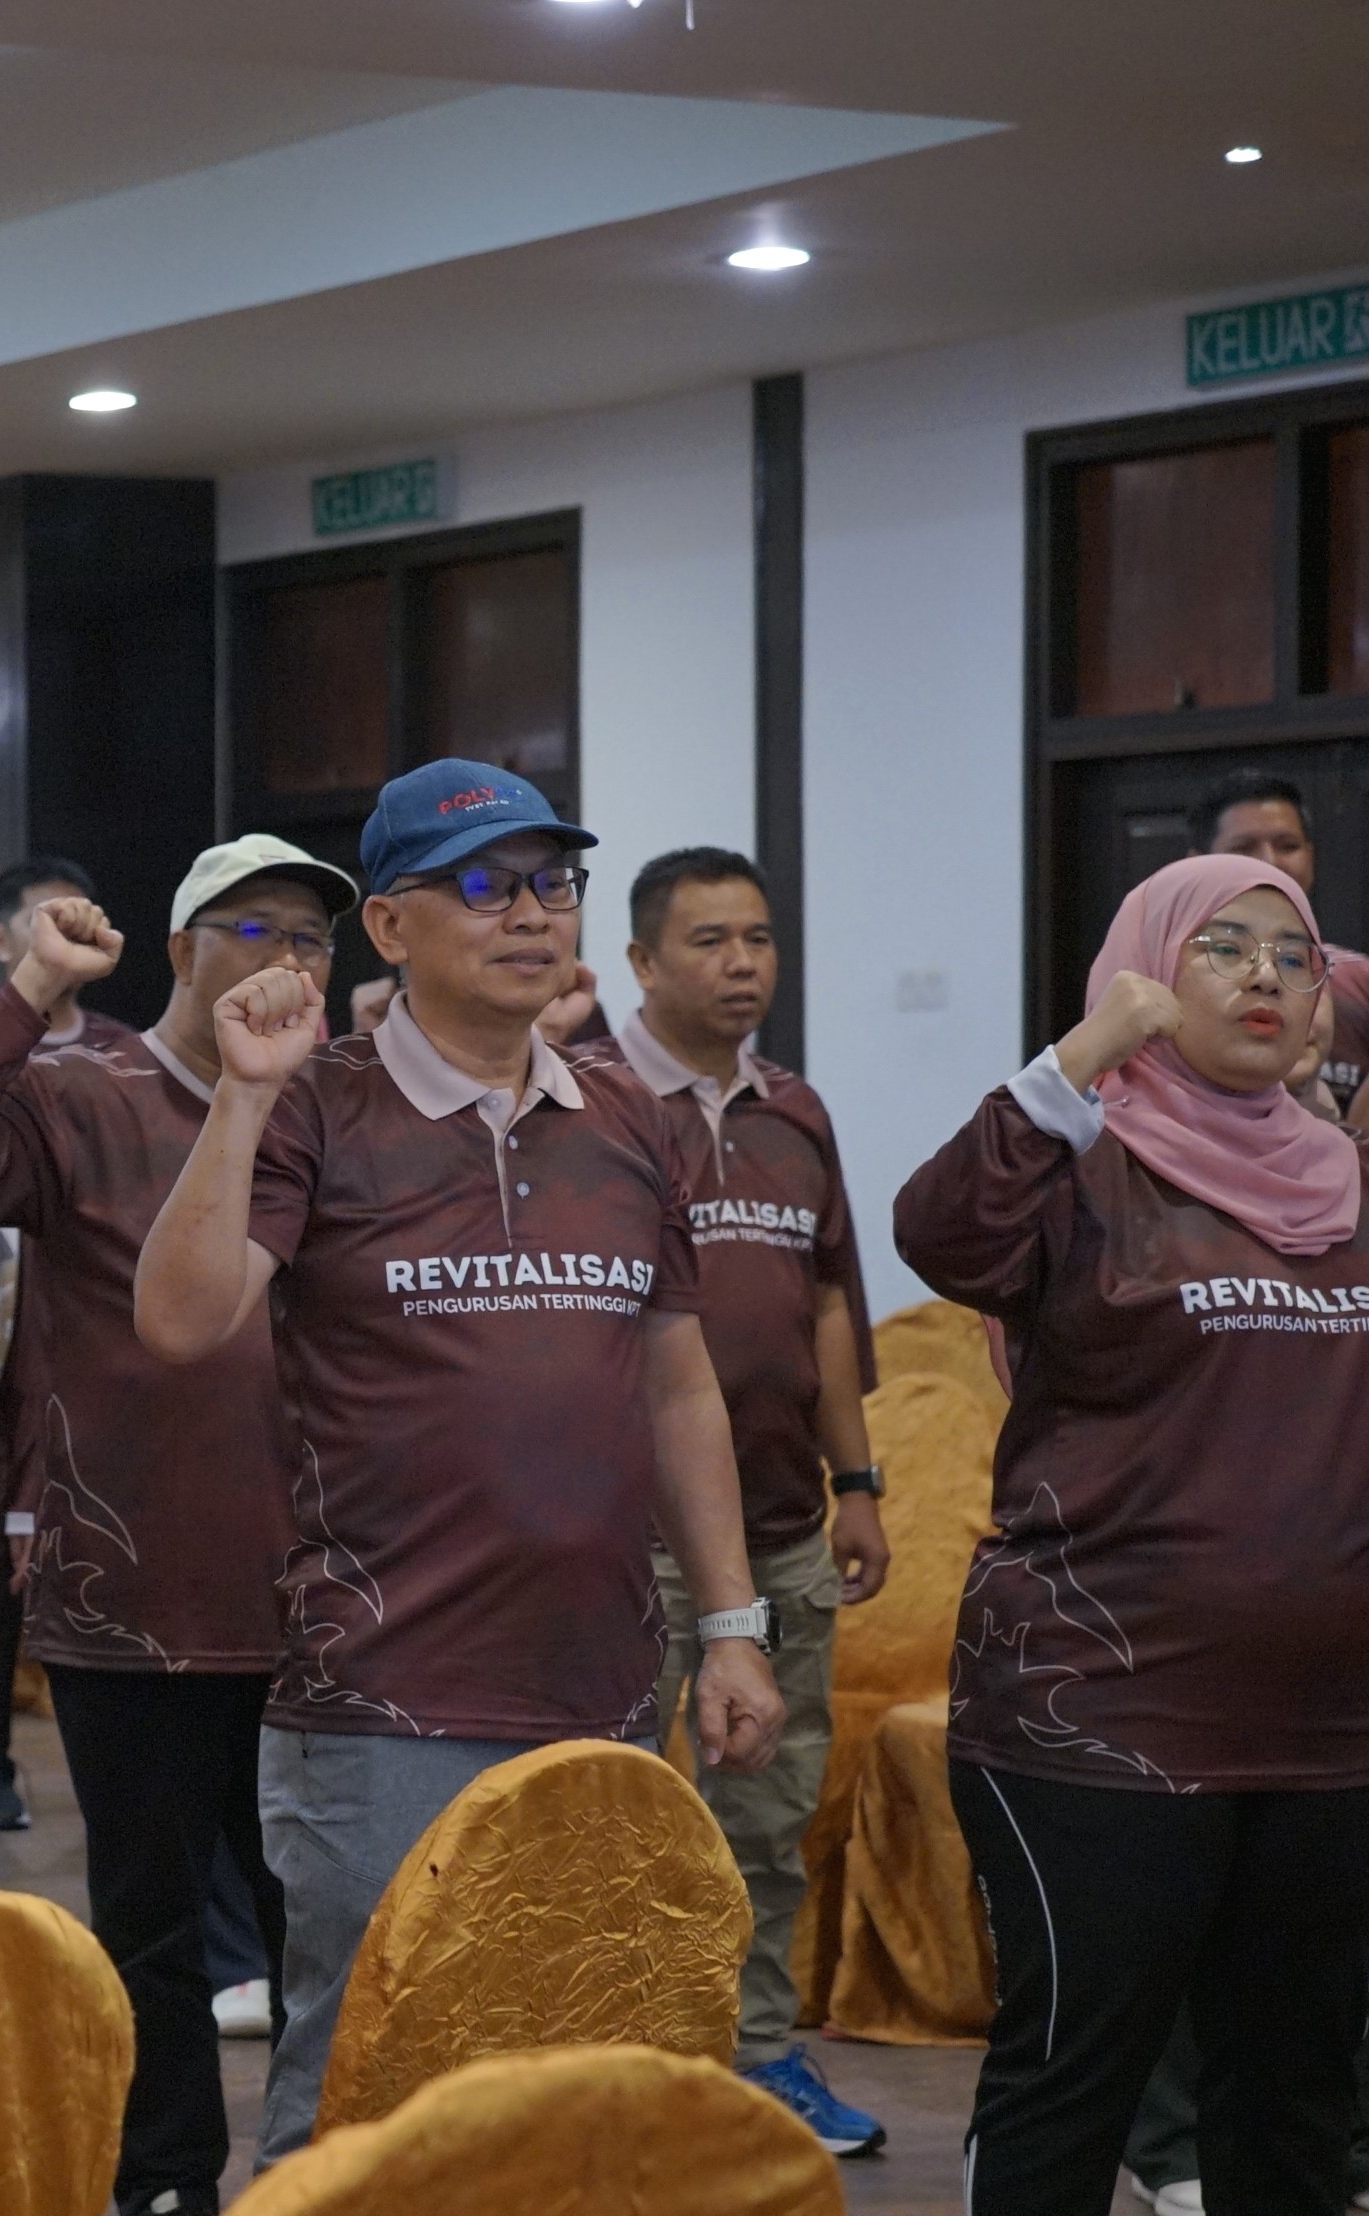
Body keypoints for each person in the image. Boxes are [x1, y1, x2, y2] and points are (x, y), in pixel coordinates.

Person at [133, 757, 782, 2161]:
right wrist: (240, 1099)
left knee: (574, 2080)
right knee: (367, 2092)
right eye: (484, 884)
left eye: (554, 882)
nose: (529, 913)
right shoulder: (318, 1104)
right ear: (389, 924)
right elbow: (180, 1322)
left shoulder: (626, 1116)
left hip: (603, 1689)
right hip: (386, 1699)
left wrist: (732, 1623)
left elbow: (678, 1383)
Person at [0, 833, 348, 2216]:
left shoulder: (337, 1104)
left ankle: (331, 2173)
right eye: (254, 929)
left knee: (323, 1923)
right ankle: (165, 2182)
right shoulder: (83, 1090)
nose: (287, 958)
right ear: (184, 949)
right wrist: (32, 990)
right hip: (129, 1584)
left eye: (311, 936)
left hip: (326, 1589)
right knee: (151, 1925)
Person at [896, 852, 1369, 2216]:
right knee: (1072, 2085)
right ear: (1148, 972)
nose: (1265, 975)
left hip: (1325, 1729)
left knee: (1296, 2099)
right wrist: (1078, 1060)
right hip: (1101, 1718)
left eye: (1292, 953)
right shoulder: (1081, 1167)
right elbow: (939, 1231)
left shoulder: (1349, 1187)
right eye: (1224, 946)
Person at [613, 847, 894, 2159]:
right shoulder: (589, 1103)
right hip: (626, 1538)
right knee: (617, 1818)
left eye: (760, 938)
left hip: (783, 1527)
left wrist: (859, 1483)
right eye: (711, 940)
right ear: (641, 961)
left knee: (769, 1820)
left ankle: (761, 2054)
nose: (743, 964)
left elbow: (830, 1301)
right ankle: (619, 2073)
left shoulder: (798, 1112)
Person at [0, 854, 120, 1833]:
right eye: (45, 921)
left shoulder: (123, 1054)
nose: (70, 936)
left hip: (82, 1334)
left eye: (83, 917)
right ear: (2, 941)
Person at [1189, 769, 1369, 1115]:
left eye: (1288, 846)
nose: (1270, 863)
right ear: (1196, 864)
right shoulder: (1173, 977)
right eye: (1243, 848)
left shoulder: (1359, 982)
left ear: (1310, 857)